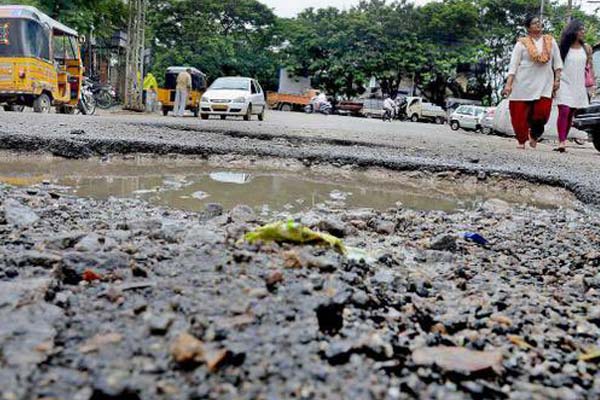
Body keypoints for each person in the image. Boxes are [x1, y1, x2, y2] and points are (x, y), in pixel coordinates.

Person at [503, 15, 563, 149]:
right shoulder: (521, 43)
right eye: (535, 23)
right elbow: (513, 65)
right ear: (528, 27)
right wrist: (509, 84)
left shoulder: (550, 41)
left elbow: (558, 62)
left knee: (542, 113)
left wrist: (557, 80)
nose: (538, 24)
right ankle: (521, 140)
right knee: (519, 114)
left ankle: (534, 135)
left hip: (545, 82)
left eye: (539, 22)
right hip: (523, 83)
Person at [554, 20, 593, 152]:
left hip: (578, 85)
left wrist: (591, 86)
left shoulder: (586, 48)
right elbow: (556, 66)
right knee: (564, 110)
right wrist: (556, 81)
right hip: (564, 82)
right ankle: (561, 141)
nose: (583, 32)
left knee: (571, 113)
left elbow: (589, 68)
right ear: (573, 31)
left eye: (583, 29)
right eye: (580, 29)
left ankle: (563, 139)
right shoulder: (563, 47)